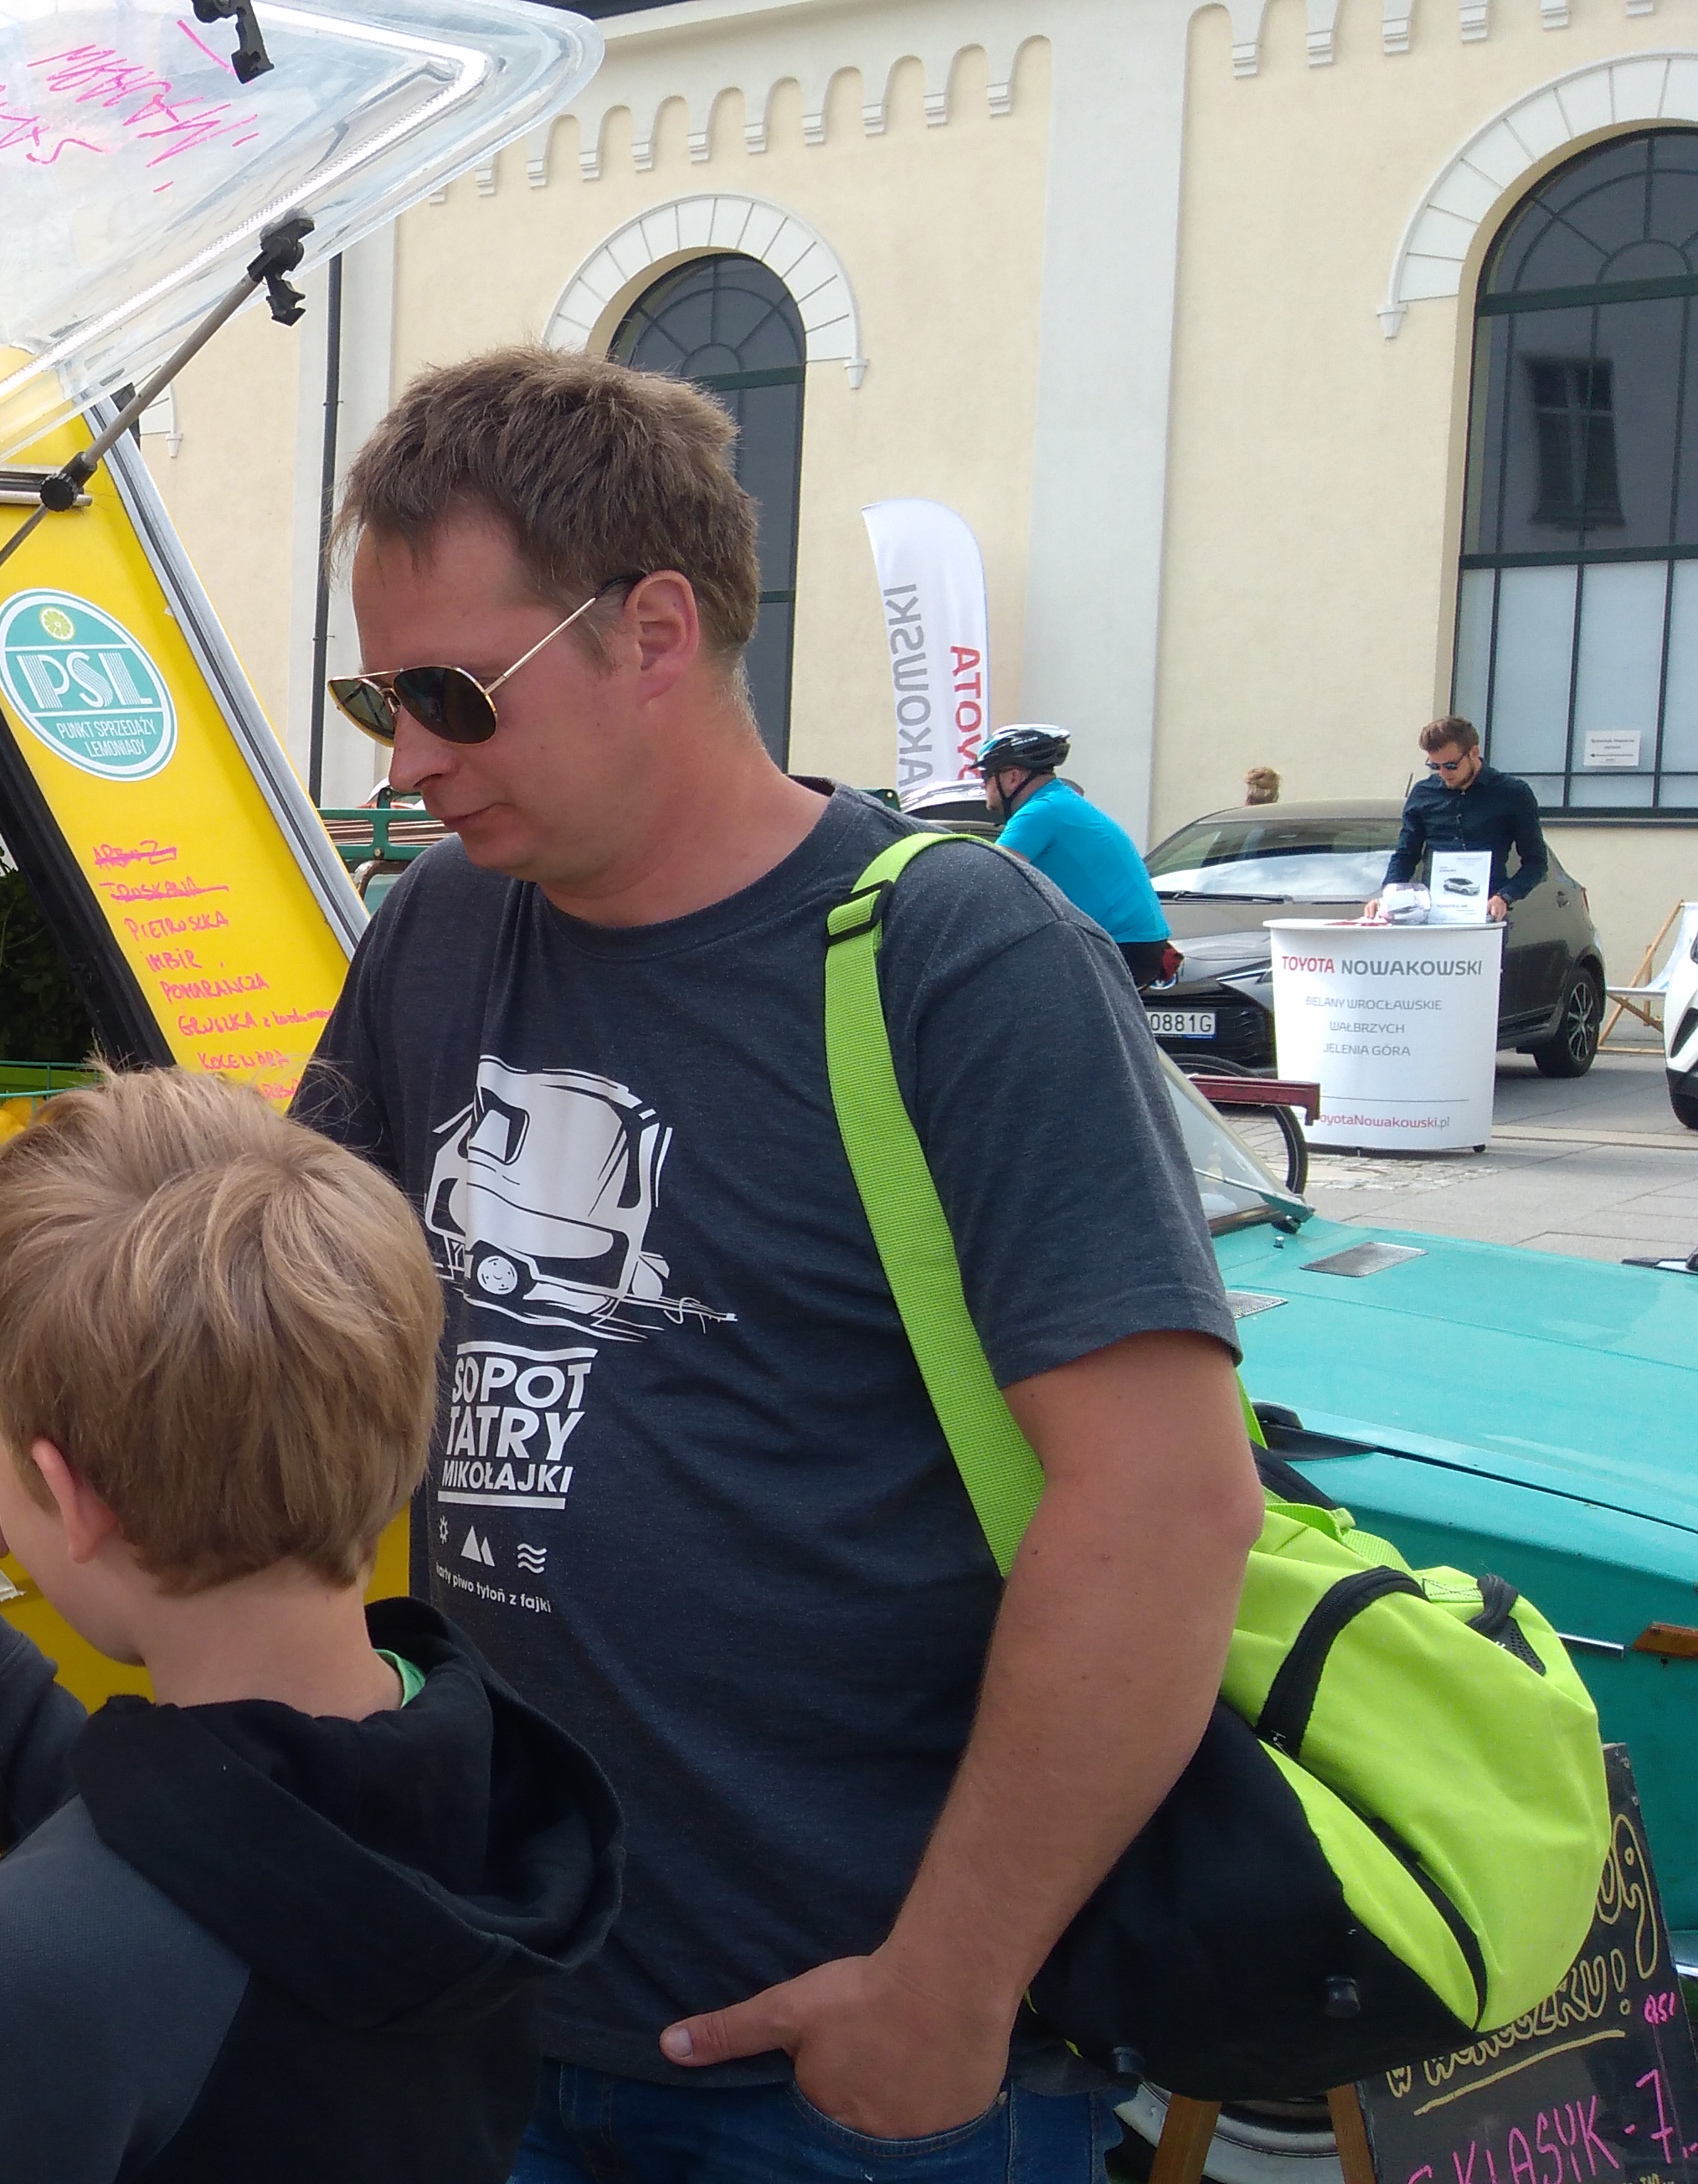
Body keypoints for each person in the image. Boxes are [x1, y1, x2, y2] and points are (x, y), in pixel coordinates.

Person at [299, 347, 1259, 2183]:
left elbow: (1164, 1506)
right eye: (377, 696)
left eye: (447, 694)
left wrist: (945, 1988)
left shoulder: (958, 956)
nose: (405, 762)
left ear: (653, 632)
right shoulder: (439, 927)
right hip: (496, 1996)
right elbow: (296, 1327)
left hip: (846, 2071)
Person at [0, 1066, 624, 2182]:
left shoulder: (52, 1973)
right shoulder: (473, 1772)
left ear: (68, 1495)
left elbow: (137, 1929)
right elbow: (213, 1852)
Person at [977, 724, 1176, 988]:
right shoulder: (1061, 801)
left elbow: (987, 880)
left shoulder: (1041, 811)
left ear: (1012, 776)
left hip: (1117, 946)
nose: (982, 785)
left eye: (985, 775)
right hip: (1135, 945)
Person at [1371, 715, 1551, 920]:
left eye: (1451, 765)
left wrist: (1504, 896)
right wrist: (1388, 896)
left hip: (1487, 913)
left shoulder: (1512, 793)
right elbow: (1406, 855)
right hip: (1433, 914)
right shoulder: (1423, 794)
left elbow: (1536, 862)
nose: (1443, 773)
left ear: (1474, 752)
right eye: (1435, 766)